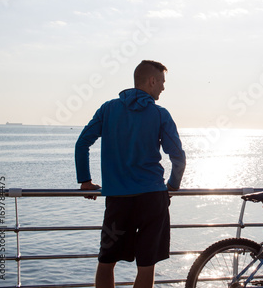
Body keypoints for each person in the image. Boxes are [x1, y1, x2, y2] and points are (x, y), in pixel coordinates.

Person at [75, 60, 186, 288]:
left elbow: (82, 143)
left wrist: (85, 181)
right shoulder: (160, 114)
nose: (163, 88)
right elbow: (178, 157)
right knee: (147, 265)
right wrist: (172, 186)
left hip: (118, 202)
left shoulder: (108, 109)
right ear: (152, 80)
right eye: (162, 82)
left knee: (106, 261)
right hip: (152, 200)